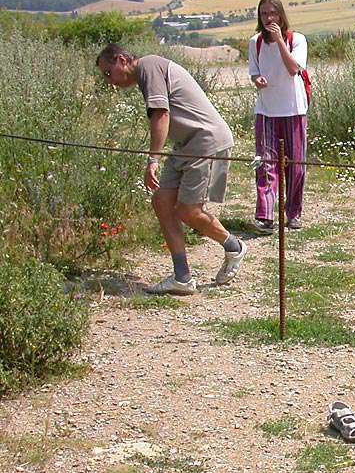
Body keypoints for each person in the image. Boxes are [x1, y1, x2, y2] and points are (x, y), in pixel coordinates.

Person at [96, 45, 246, 295]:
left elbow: (161, 115)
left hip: (205, 140)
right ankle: (182, 277)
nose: (108, 80)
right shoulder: (146, 73)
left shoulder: (149, 66)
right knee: (162, 201)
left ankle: (234, 246)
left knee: (189, 211)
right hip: (186, 144)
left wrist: (153, 159)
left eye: (108, 73)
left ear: (121, 60)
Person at [248, 0, 308, 233]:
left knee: (295, 166)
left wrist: (280, 41)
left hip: (294, 110)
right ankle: (265, 216)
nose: (269, 18)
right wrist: (257, 80)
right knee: (265, 164)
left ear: (281, 15)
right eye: (264, 14)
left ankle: (293, 213)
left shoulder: (297, 39)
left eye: (273, 13)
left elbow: (293, 69)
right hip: (266, 111)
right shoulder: (255, 42)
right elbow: (254, 72)